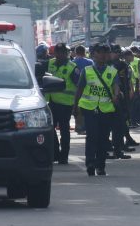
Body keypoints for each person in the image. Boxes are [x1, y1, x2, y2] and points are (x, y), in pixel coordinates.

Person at [73, 44, 120, 176]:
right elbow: (80, 89)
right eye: (100, 52)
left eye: (105, 52)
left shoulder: (112, 71)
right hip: (89, 108)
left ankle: (100, 166)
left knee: (103, 139)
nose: (103, 55)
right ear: (93, 54)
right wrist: (75, 106)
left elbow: (116, 86)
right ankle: (90, 163)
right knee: (92, 136)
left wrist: (116, 95)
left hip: (106, 110)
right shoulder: (87, 71)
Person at [46, 43, 79, 164]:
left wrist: (77, 105)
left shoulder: (72, 67)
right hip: (51, 102)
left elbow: (78, 86)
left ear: (66, 53)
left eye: (62, 52)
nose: (60, 54)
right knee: (50, 128)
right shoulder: (50, 63)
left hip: (65, 104)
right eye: (58, 52)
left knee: (64, 130)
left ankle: (63, 156)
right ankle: (55, 152)